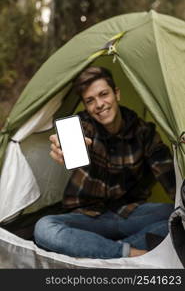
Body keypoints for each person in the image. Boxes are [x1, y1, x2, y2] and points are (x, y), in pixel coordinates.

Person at [34, 66, 176, 259]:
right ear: (85, 106)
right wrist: (64, 146)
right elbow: (80, 134)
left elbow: (168, 173)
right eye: (90, 101)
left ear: (116, 94)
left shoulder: (144, 132)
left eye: (103, 94)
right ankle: (133, 252)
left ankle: (106, 250)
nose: (99, 104)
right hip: (87, 216)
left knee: (175, 214)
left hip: (129, 214)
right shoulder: (84, 126)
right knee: (44, 228)